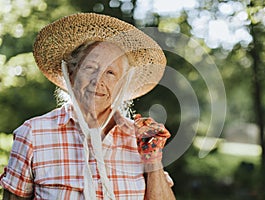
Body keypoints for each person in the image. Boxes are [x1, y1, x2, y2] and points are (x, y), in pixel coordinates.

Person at [0, 13, 175, 199]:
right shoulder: (33, 133)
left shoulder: (140, 139)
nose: (97, 80)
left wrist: (152, 160)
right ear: (71, 74)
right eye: (90, 67)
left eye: (110, 72)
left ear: (122, 85)